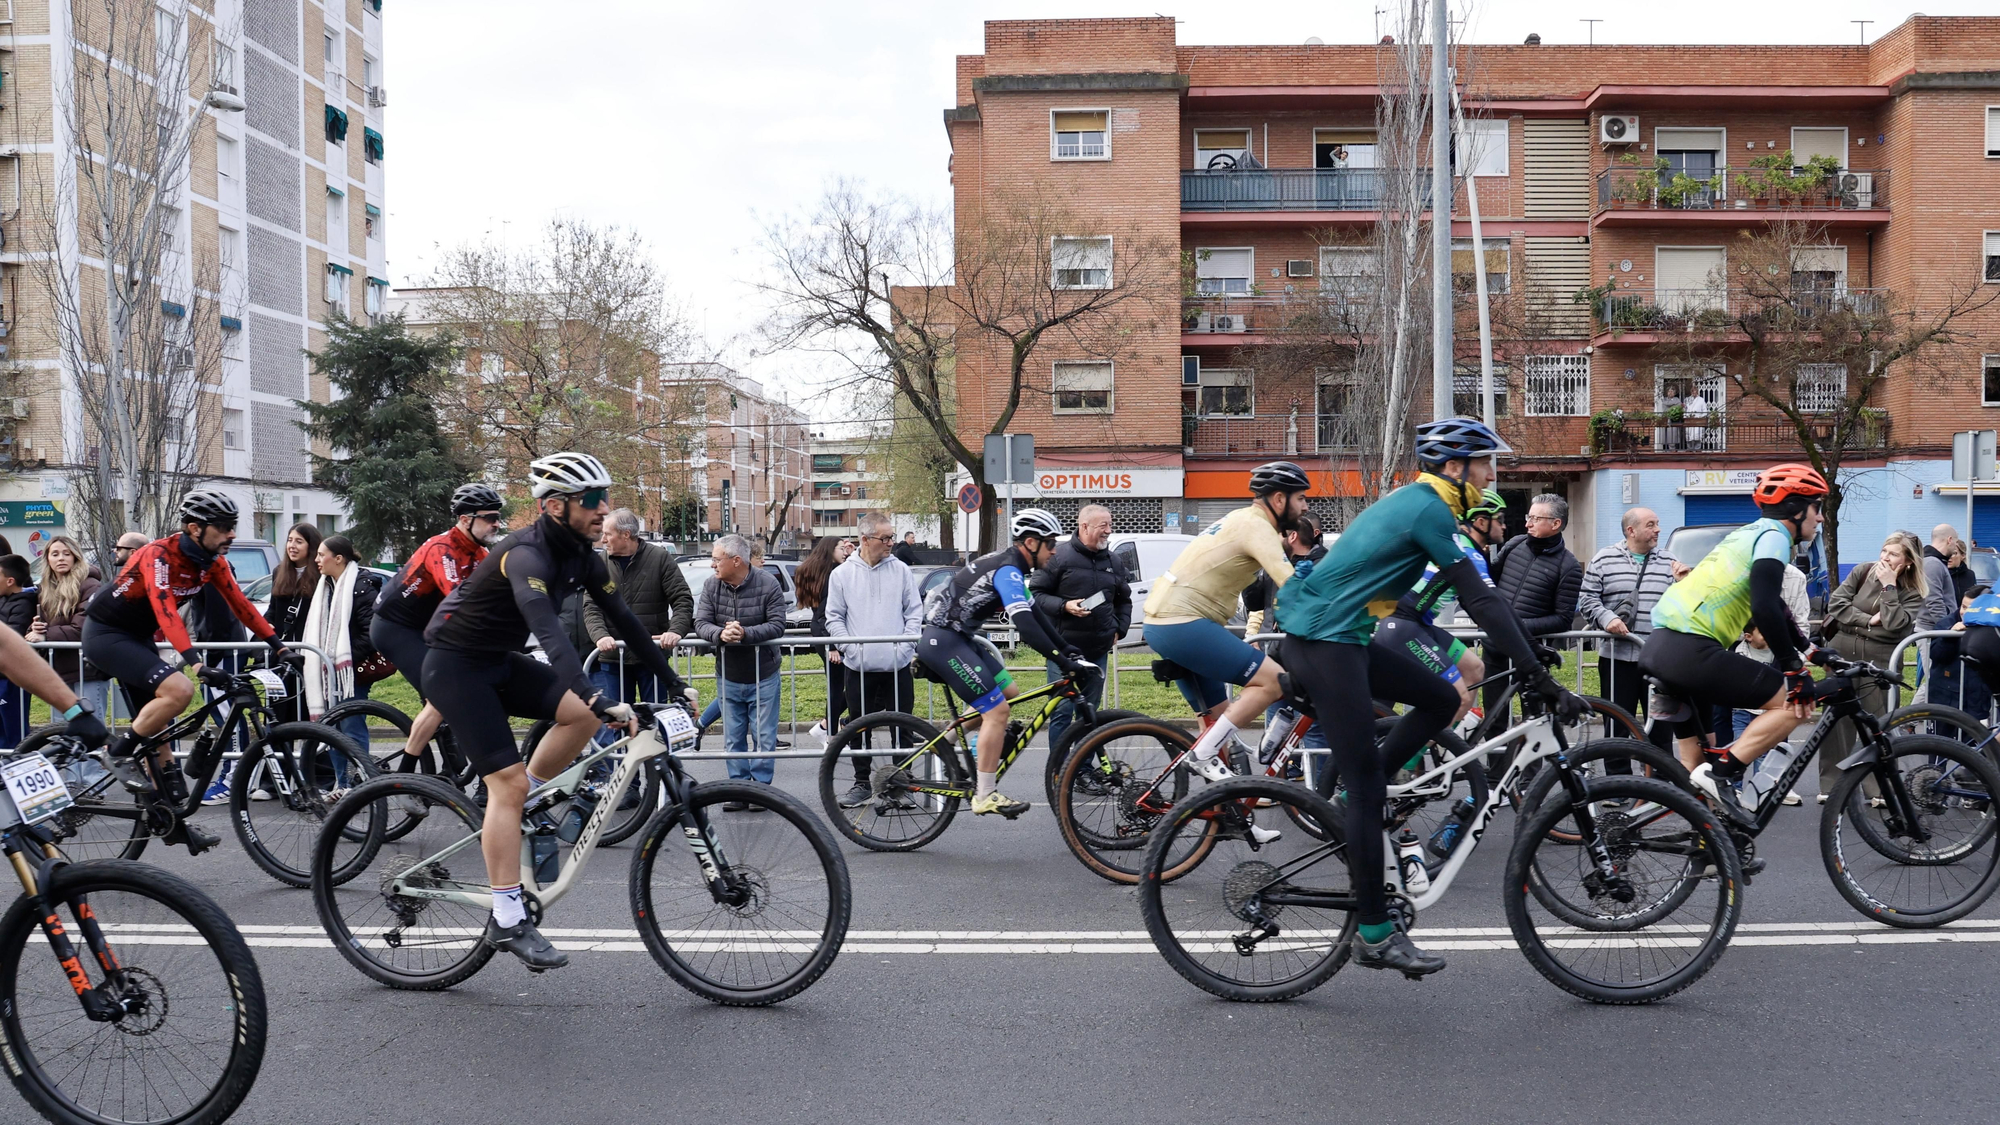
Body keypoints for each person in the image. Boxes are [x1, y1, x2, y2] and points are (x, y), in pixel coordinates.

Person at [1278, 417, 1582, 978]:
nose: (1493, 473)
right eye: (1486, 463)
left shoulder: (1421, 505)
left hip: (1344, 637)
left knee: (1443, 701)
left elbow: (1379, 591)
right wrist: (1539, 676)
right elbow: (1483, 604)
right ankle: (1374, 934)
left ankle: (1360, 793)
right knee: (1369, 793)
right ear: (1455, 467)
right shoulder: (1429, 510)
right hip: (1325, 644)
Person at [423, 452, 689, 970]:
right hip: (455, 666)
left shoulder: (585, 557)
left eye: (604, 499)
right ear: (553, 506)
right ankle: (505, 914)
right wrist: (595, 693)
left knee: (579, 721)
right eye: (591, 501)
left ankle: (527, 803)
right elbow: (549, 634)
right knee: (510, 782)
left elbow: (627, 622)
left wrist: (675, 682)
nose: (602, 510)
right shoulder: (525, 555)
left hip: (498, 661)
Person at [82, 489, 285, 854]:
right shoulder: (158, 554)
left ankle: (171, 823)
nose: (232, 534)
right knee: (179, 691)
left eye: (232, 526)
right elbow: (166, 611)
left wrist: (280, 646)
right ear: (195, 528)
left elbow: (242, 606)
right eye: (223, 527)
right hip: (106, 634)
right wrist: (196, 663)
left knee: (159, 740)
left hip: (137, 637)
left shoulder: (213, 562)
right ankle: (117, 752)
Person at [1642, 463, 1828, 816]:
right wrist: (1794, 669)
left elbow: (1771, 604)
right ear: (1796, 508)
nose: (1819, 519)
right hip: (1692, 650)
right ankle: (1727, 770)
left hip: (1661, 647)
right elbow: (1764, 605)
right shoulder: (1775, 536)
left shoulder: (1746, 535)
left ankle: (1707, 851)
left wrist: (1809, 650)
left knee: (1697, 769)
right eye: (1817, 508)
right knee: (1794, 703)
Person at [1142, 461, 1312, 783]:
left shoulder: (1242, 519)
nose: (1305, 506)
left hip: (1167, 623)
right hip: (1182, 623)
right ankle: (1203, 753)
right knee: (1274, 681)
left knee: (1218, 722)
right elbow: (1292, 587)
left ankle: (1229, 811)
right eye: (1301, 498)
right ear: (1279, 499)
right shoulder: (1256, 526)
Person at [918, 508, 1092, 818]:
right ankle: (984, 795)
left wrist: (1067, 649)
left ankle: (943, 742)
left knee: (1009, 692)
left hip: (959, 639)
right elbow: (1024, 625)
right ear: (1030, 543)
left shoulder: (1012, 567)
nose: (1054, 551)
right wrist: (1060, 659)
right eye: (1050, 543)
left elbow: (1036, 613)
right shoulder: (1008, 570)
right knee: (998, 711)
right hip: (944, 641)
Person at [374, 484, 505, 764]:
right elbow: (460, 600)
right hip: (395, 627)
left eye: (498, 517)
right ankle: (406, 773)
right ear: (465, 519)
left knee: (463, 687)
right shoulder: (442, 549)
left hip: (428, 626)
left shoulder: (479, 553)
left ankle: (452, 764)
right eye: (489, 518)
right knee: (443, 692)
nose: (496, 523)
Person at [826, 511, 923, 808]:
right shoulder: (842, 574)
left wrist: (904, 648)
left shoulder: (902, 571)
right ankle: (861, 783)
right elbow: (833, 617)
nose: (891, 543)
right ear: (864, 540)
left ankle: (901, 784)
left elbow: (914, 613)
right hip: (859, 666)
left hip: (898, 665)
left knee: (902, 727)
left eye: (892, 537)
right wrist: (852, 650)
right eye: (885, 538)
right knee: (858, 727)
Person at [1820, 531, 1926, 797]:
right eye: (1884, 551)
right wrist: (1868, 621)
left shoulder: (1914, 591)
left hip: (1880, 660)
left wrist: (1889, 587)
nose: (1884, 557)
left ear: (1908, 561)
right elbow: (1836, 605)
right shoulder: (1862, 571)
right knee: (1836, 722)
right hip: (1843, 652)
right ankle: (1831, 786)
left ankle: (1879, 789)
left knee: (1878, 723)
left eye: (1893, 554)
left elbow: (1895, 626)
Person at [582, 508, 694, 744]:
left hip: (651, 657)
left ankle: (660, 777)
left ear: (625, 534)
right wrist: (600, 635)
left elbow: (682, 598)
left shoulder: (659, 558)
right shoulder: (600, 562)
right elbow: (591, 606)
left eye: (607, 534)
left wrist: (676, 630)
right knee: (617, 724)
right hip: (614, 659)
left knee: (656, 721)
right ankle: (628, 781)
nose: (602, 539)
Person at [1029, 503, 1132, 758]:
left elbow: (1124, 600)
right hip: (1063, 650)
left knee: (1089, 713)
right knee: (1062, 711)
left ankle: (1083, 771)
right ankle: (1058, 772)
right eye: (1103, 526)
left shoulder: (1114, 561)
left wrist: (1120, 628)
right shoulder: (1058, 557)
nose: (1109, 531)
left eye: (1110, 524)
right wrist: (1064, 606)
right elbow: (1036, 595)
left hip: (1098, 649)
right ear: (1084, 526)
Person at [696, 534, 789, 798]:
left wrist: (745, 633)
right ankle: (738, 789)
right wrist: (720, 635)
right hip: (728, 674)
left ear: (736, 561)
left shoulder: (768, 583)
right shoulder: (711, 586)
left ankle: (759, 791)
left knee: (764, 737)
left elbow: (777, 624)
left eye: (716, 559)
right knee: (733, 738)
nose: (713, 565)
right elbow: (701, 622)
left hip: (764, 674)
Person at [1577, 507, 1680, 743]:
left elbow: (1685, 605)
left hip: (1659, 661)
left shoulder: (1670, 561)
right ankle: (1616, 778)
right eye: (1651, 525)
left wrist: (1686, 584)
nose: (1658, 529)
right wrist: (1607, 618)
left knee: (1661, 729)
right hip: (1616, 660)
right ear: (1631, 531)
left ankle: (1659, 777)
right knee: (1617, 727)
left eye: (1657, 523)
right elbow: (1587, 598)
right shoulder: (1604, 559)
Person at [1485, 493, 1582, 720]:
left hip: (1530, 652)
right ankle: (1497, 758)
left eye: (1535, 518)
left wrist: (1516, 626)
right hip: (1494, 648)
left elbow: (1563, 619)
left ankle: (1535, 757)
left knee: (1535, 721)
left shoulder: (1569, 566)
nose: (1527, 523)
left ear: (1556, 524)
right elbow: (1490, 582)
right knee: (1493, 720)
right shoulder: (1515, 544)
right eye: (1529, 516)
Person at [301, 535, 383, 787]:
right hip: (328, 672)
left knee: (351, 726)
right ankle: (342, 784)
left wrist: (337, 661)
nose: (316, 559)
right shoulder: (325, 586)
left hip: (350, 672)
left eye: (321, 554)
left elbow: (371, 634)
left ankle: (363, 783)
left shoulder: (362, 586)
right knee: (332, 730)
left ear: (339, 558)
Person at [27, 536, 106, 719]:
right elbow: (40, 628)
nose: (60, 558)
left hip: (87, 668)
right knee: (62, 728)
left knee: (92, 725)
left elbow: (83, 628)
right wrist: (35, 629)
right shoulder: (44, 590)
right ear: (47, 559)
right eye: (55, 554)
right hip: (58, 669)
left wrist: (46, 635)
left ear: (75, 557)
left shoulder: (91, 585)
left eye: (66, 553)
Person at [793, 534, 854, 749]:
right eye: (840, 548)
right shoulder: (831, 575)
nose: (844, 552)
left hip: (824, 637)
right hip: (829, 638)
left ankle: (826, 728)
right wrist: (833, 646)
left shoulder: (819, 573)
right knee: (841, 687)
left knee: (840, 687)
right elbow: (825, 615)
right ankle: (830, 736)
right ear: (830, 550)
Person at [264, 522, 324, 645]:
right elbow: (273, 608)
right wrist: (267, 623)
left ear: (311, 546)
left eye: (299, 542)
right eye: (290, 540)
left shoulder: (322, 574)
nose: (292, 546)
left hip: (310, 646)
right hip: (283, 646)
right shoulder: (279, 572)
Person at [0, 555, 36, 748]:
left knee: (13, 732)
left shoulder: (23, 604)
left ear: (10, 580)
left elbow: (11, 637)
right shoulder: (3, 600)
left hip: (11, 679)